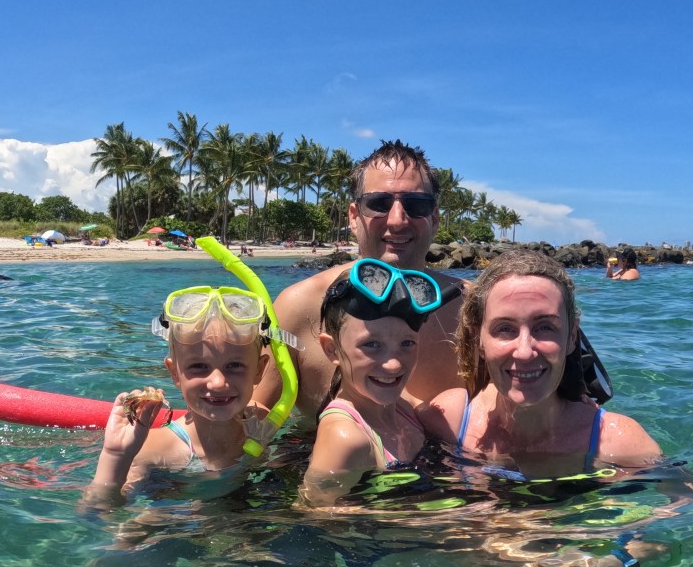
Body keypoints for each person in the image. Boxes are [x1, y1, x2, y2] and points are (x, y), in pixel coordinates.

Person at [257, 140, 465, 418]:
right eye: (379, 203)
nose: (397, 220)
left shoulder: (472, 309)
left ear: (435, 217)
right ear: (354, 217)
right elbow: (254, 416)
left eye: (416, 205)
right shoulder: (297, 307)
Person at [422, 248, 661, 474]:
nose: (525, 352)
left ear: (571, 337)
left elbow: (680, 503)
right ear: (479, 340)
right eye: (504, 328)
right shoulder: (448, 421)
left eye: (545, 327)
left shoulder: (620, 444)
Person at [78, 285, 274, 514]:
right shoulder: (156, 448)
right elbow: (96, 513)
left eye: (235, 366)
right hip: (168, 525)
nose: (218, 382)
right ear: (174, 373)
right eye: (199, 367)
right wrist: (116, 455)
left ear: (259, 370)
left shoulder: (259, 420)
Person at [301, 259, 460, 506]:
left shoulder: (403, 406)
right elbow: (317, 513)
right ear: (332, 350)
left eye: (407, 344)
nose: (393, 364)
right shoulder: (345, 437)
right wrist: (434, 516)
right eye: (372, 345)